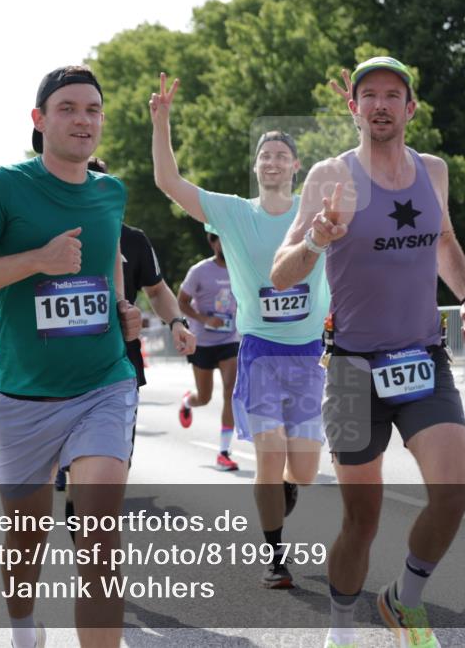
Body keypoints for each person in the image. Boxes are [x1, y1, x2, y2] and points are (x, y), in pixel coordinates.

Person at [271, 56, 465, 648]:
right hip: (348, 370)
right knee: (361, 519)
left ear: (411, 107)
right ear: (355, 108)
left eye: (394, 94)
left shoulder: (433, 171)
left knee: (453, 495)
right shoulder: (328, 176)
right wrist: (318, 236)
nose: (382, 104)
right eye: (370, 95)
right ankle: (341, 625)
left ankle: (403, 601)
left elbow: (442, 238)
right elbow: (282, 272)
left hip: (422, 359)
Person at [0, 64, 142, 648]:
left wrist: (121, 304)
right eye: (68, 108)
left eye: (93, 110)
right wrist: (37, 260)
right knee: (26, 538)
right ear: (39, 119)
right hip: (24, 396)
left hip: (104, 384)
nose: (83, 120)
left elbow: (107, 260)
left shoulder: (111, 191)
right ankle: (25, 630)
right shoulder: (0, 188)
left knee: (100, 537)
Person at [151, 72, 330, 589]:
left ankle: (284, 497)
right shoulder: (232, 213)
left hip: (308, 355)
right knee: (268, 459)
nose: (272, 161)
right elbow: (169, 183)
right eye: (265, 155)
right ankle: (276, 554)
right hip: (258, 352)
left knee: (305, 470)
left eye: (282, 155)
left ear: (295, 166)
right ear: (257, 168)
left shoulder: (316, 211)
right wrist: (162, 122)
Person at [55, 156, 196, 498]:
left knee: (112, 463)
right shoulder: (52, 237)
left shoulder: (133, 240)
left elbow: (157, 290)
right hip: (60, 362)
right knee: (78, 467)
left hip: (119, 361)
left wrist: (176, 321)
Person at [178, 227, 241, 471]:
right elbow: (181, 301)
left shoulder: (240, 268)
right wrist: (204, 319)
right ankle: (188, 401)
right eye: (222, 241)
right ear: (213, 242)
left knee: (231, 392)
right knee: (204, 397)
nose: (227, 246)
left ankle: (224, 452)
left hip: (230, 340)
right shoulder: (199, 271)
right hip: (202, 340)